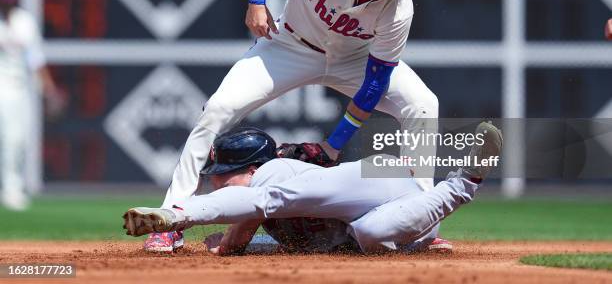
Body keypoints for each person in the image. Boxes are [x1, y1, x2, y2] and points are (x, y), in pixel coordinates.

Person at [144, 0, 440, 252]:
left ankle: (421, 218)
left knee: (423, 104)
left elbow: (375, 82)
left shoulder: (399, 7)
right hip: (289, 46)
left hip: (353, 58)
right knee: (218, 109)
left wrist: (334, 144)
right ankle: (172, 218)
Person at [126, 122, 502, 255]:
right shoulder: (269, 193)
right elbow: (242, 241)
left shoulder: (271, 176)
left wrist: (177, 216)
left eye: (224, 174)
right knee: (356, 238)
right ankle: (424, 243)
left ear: (253, 168)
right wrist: (231, 244)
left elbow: (250, 208)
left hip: (387, 189)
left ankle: (466, 178)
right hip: (379, 214)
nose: (216, 181)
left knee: (370, 234)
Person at [0, 0, 65, 211]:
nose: (6, 3)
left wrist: (49, 91)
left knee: (17, 139)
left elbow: (35, 59)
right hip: (1, 86)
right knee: (6, 138)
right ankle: (10, 188)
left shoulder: (24, 22)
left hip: (20, 88)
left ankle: (12, 189)